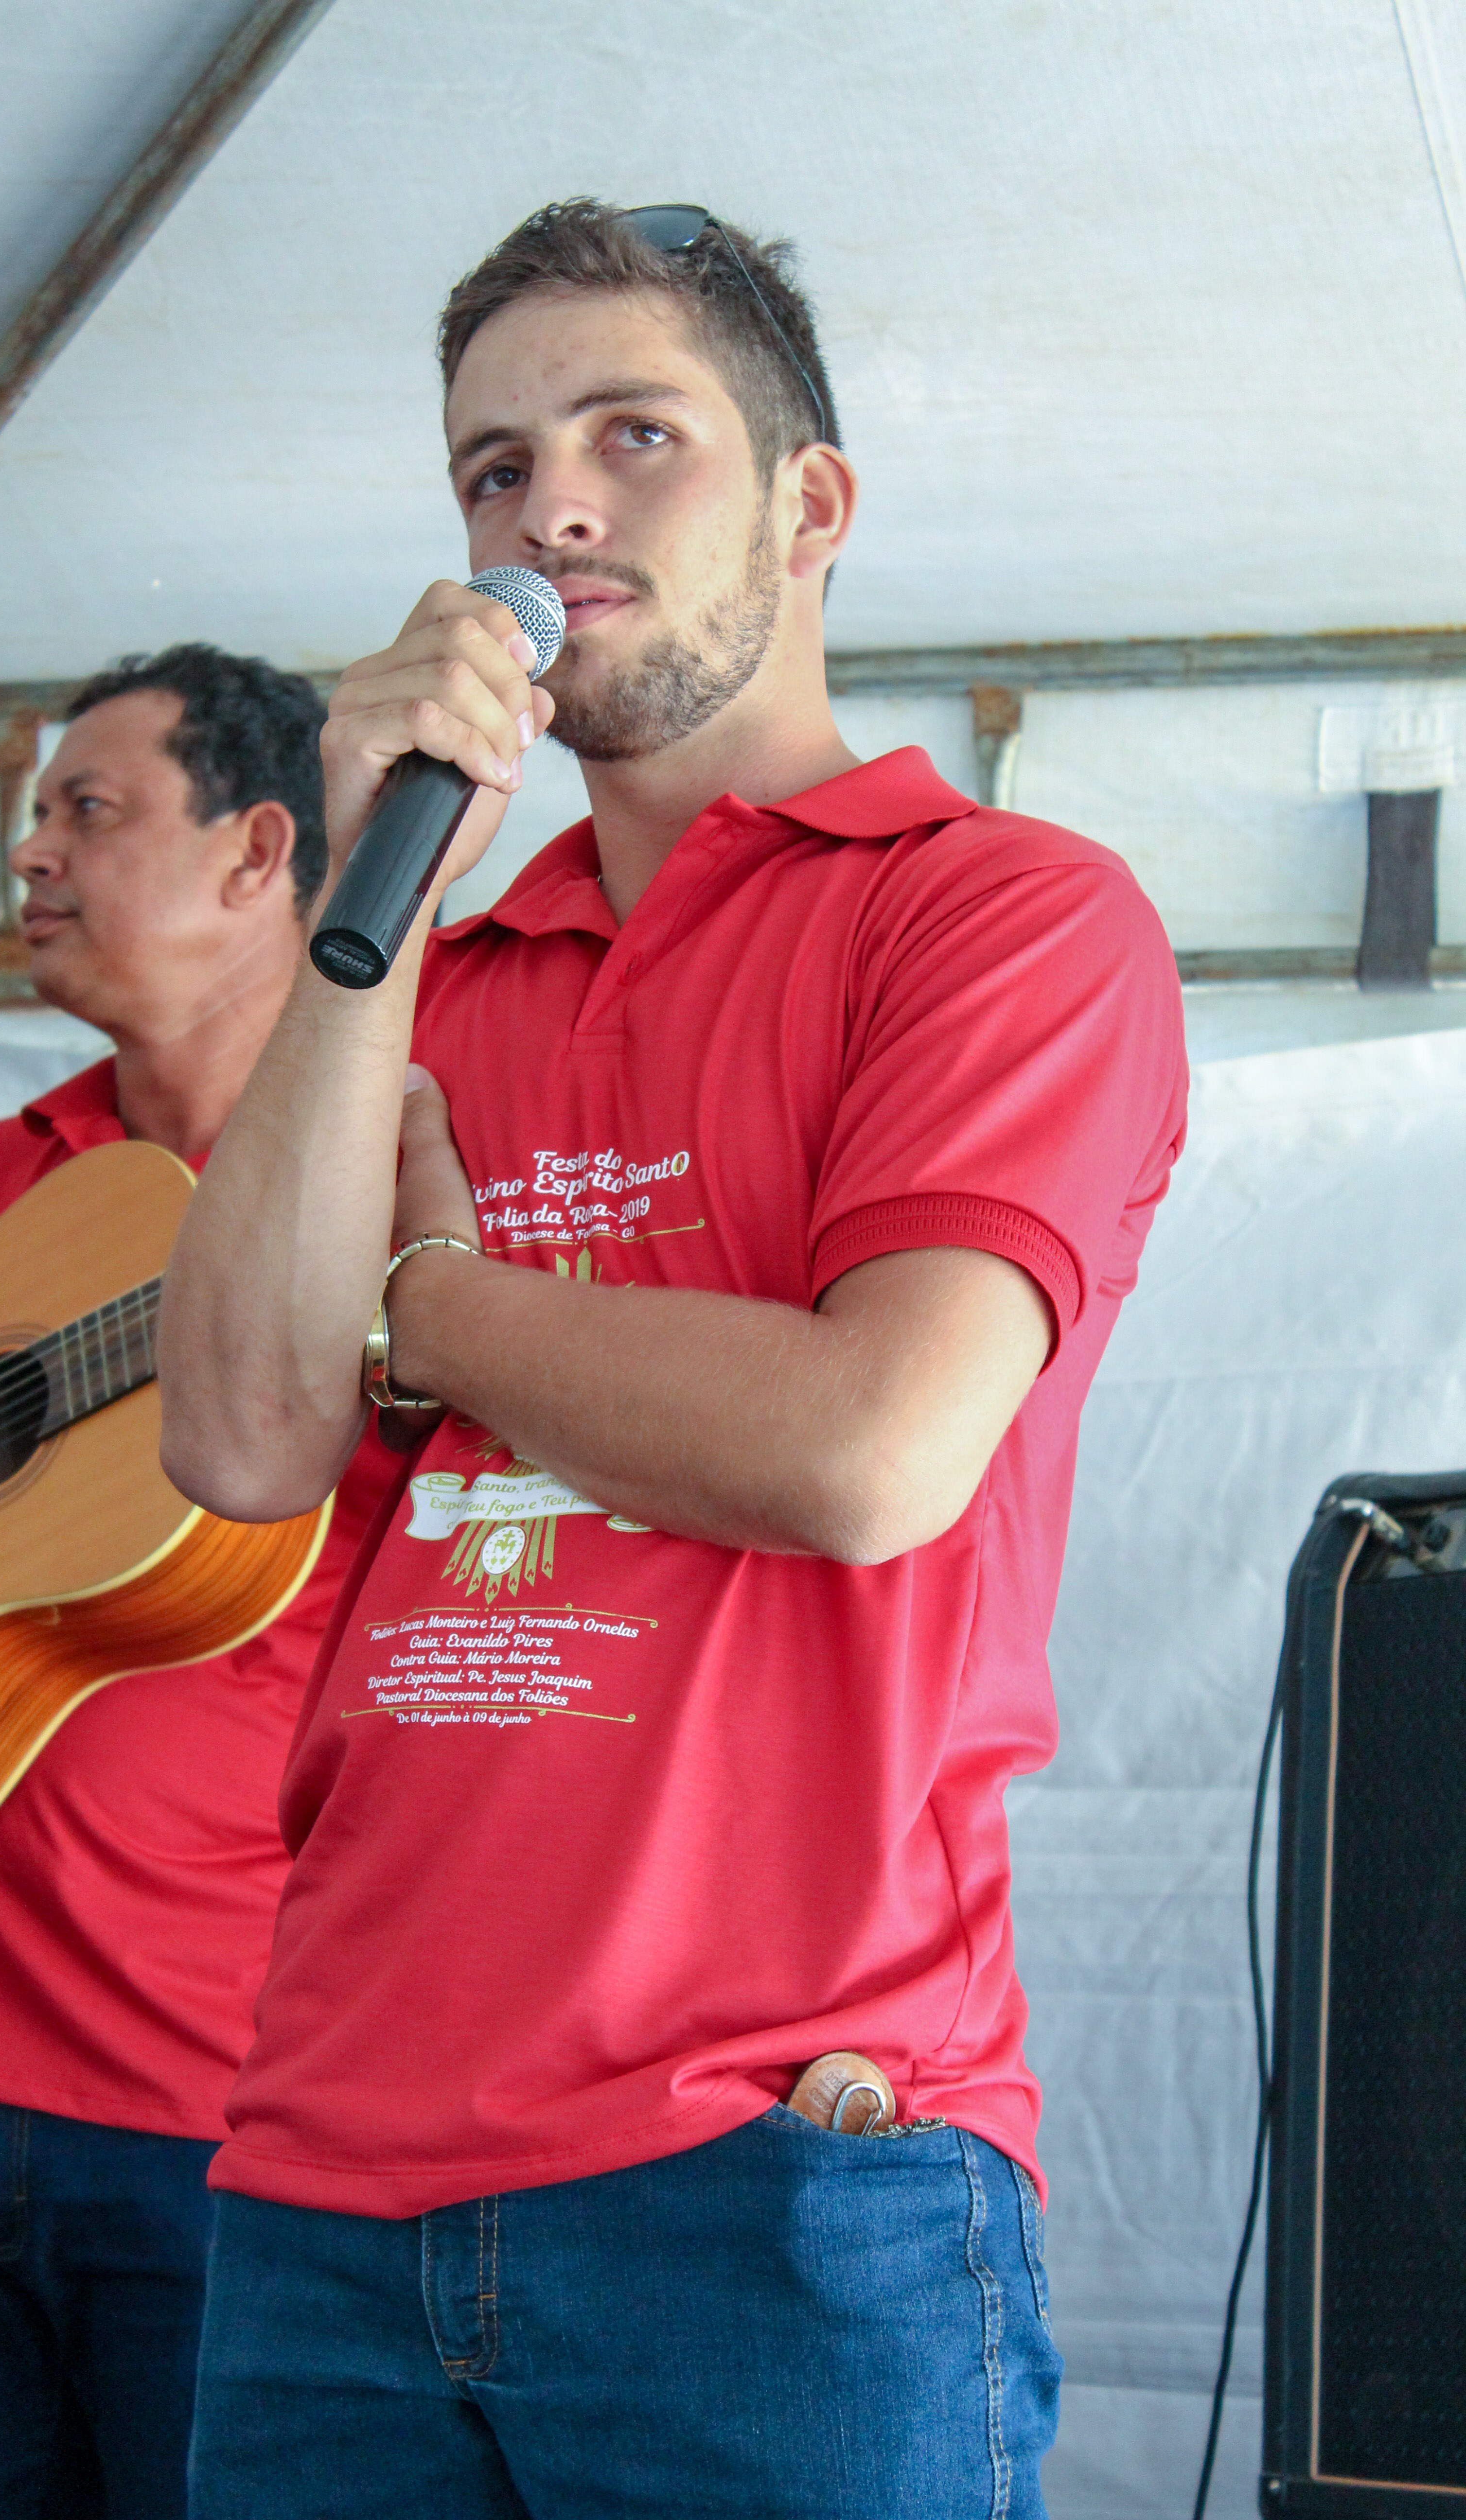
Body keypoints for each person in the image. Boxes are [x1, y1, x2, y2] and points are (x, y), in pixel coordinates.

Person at [160, 200, 1189, 2520]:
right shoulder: (422, 972)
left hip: (779, 2162)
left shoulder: (999, 917)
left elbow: (867, 1446)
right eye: (494, 468)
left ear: (812, 506)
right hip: (324, 2167)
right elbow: (237, 1441)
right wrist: (359, 920)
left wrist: (434, 1307)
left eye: (638, 435)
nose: (553, 510)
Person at [0, 647, 389, 2520]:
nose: (30, 853)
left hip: (229, 2119)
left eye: (87, 810)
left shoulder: (402, 1191)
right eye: (35, 812)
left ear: (259, 851)